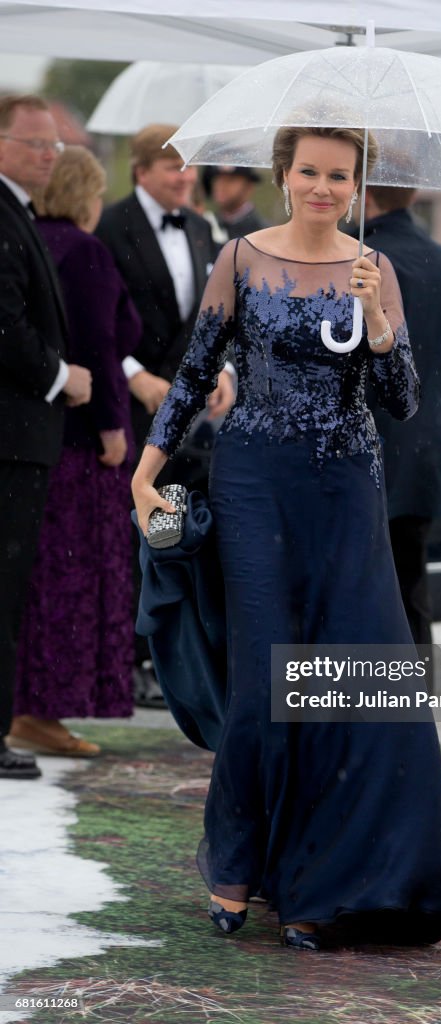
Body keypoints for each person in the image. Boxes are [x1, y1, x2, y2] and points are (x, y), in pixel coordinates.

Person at [132, 125, 441, 950]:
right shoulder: (243, 257)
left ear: (357, 185)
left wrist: (379, 321)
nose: (322, 187)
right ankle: (238, 863)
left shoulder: (377, 269)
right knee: (263, 677)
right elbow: (194, 370)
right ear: (282, 175)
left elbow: (399, 400)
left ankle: (317, 880)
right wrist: (146, 468)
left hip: (347, 486)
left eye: (338, 175)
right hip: (254, 481)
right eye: (308, 172)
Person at [8, 146, 142, 758]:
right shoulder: (83, 251)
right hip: (82, 445)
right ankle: (43, 708)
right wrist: (115, 427)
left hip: (41, 441)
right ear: (84, 194)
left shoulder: (31, 238)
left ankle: (27, 705)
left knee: (37, 580)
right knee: (75, 581)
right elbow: (98, 347)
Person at [96, 124, 235, 705]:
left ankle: (171, 656)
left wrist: (224, 371)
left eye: (189, 168)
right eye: (173, 168)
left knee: (176, 527)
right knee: (135, 526)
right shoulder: (111, 225)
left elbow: (220, 317)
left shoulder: (204, 228)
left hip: (191, 412)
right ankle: (130, 656)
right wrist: (136, 376)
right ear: (141, 170)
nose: (185, 178)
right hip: (128, 400)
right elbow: (94, 322)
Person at [0, 95, 92, 780]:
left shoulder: (18, 213)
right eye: (35, 144)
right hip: (9, 436)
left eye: (54, 147)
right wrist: (63, 376)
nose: (50, 157)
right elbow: (5, 327)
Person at [361, 184, 441, 651]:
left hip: (372, 438)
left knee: (361, 585)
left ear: (365, 195)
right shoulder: (440, 259)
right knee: (410, 582)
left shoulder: (364, 260)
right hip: (421, 442)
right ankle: (413, 696)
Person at [202, 165, 269, 243]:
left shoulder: (263, 233)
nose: (221, 185)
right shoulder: (206, 225)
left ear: (248, 187)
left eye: (230, 180)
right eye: (218, 178)